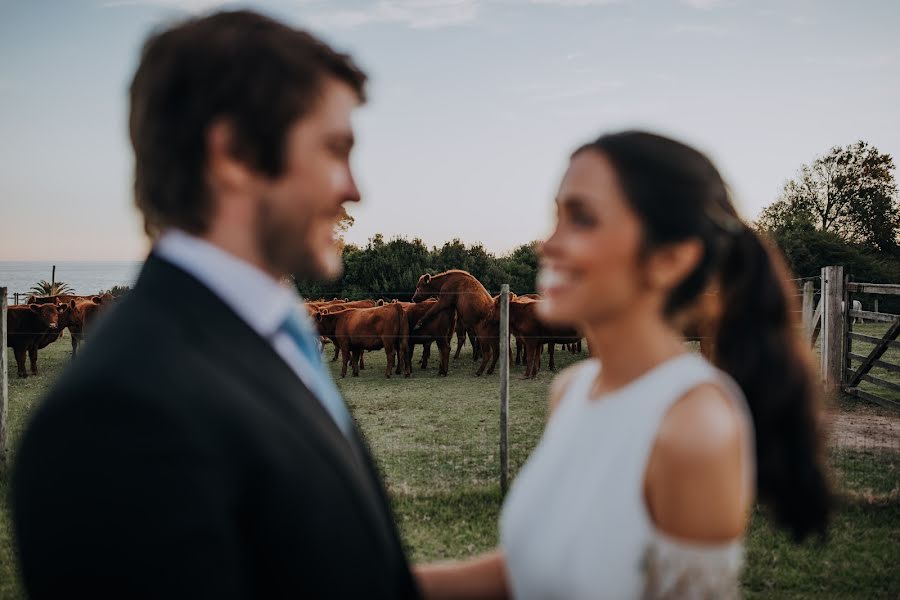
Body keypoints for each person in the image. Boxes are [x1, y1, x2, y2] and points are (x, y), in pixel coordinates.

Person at [12, 10, 419, 599]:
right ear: (233, 155)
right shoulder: (118, 417)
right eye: (334, 150)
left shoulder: (271, 331)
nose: (354, 188)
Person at [415, 131, 831, 599]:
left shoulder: (693, 427)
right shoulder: (573, 388)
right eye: (556, 216)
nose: (547, 244)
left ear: (671, 259)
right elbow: (539, 568)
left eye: (582, 219)